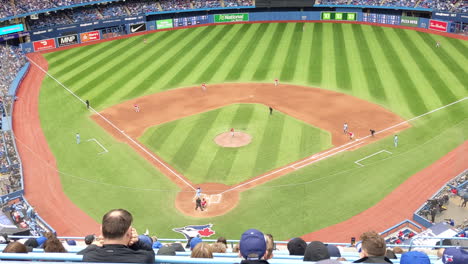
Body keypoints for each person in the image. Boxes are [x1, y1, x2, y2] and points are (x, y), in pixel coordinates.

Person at [80, 209, 155, 263]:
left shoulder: (88, 256)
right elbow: (150, 251)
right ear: (130, 232)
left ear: (102, 230)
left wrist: (93, 245)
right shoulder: (143, 258)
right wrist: (136, 242)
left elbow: (79, 255)